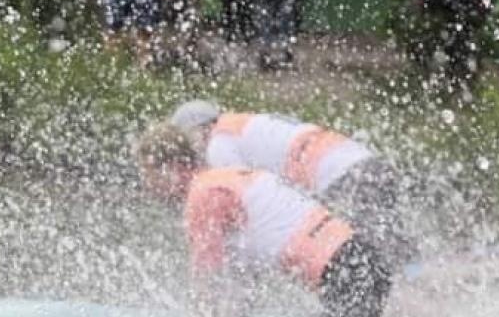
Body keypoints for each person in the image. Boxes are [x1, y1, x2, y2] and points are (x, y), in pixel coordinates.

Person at [134, 123, 393, 317]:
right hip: (363, 264)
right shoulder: (229, 177)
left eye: (149, 174)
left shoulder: (204, 197)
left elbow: (206, 290)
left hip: (349, 273)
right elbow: (243, 294)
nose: (147, 186)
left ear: (172, 167)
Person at [168, 100, 409, 267]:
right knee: (394, 251)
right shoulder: (241, 123)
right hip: (365, 165)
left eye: (187, 140)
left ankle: (421, 307)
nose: (192, 151)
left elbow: (238, 199)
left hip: (340, 177)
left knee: (369, 257)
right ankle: (428, 297)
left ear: (199, 129)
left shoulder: (219, 144)